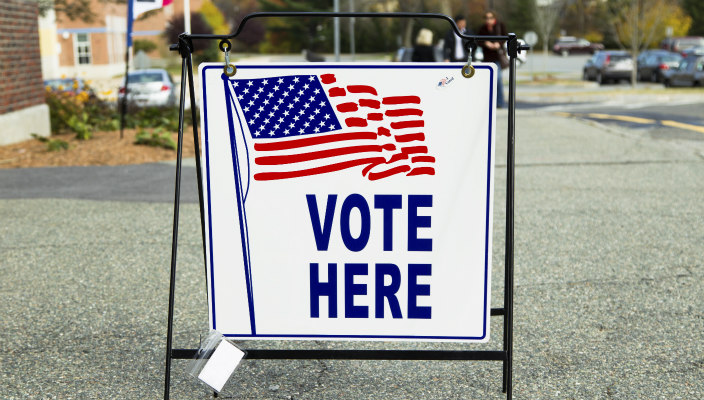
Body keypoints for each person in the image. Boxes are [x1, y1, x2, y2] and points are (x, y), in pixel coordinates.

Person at [478, 10, 507, 108]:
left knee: (498, 79)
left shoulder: (500, 26)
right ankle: (489, 102)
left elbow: (505, 37)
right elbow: (477, 40)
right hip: (487, 58)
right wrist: (486, 43)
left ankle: (500, 102)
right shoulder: (483, 28)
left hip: (497, 57)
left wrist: (498, 43)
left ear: (494, 18)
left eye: (490, 18)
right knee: (488, 81)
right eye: (487, 18)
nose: (488, 20)